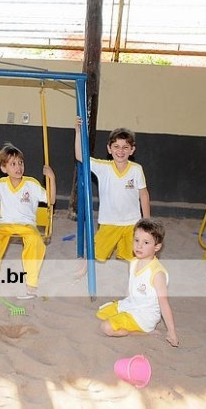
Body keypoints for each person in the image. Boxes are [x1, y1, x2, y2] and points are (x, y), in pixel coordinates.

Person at [0, 142, 56, 298]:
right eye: (13, 164)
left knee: (35, 241)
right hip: (4, 225)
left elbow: (51, 200)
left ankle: (31, 284)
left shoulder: (32, 184)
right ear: (4, 168)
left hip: (26, 225)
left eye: (20, 163)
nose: (18, 167)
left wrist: (52, 178)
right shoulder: (1, 185)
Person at [75, 118, 150, 275]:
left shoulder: (136, 169)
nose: (120, 151)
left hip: (132, 222)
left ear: (132, 150)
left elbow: (143, 194)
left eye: (125, 147)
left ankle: (134, 280)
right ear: (109, 149)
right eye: (116, 146)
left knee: (134, 255)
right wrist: (78, 131)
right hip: (109, 221)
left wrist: (146, 220)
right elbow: (80, 156)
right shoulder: (103, 167)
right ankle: (84, 269)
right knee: (96, 249)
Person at [96, 218, 179, 347]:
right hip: (131, 305)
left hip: (144, 315)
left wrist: (171, 332)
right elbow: (131, 286)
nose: (139, 246)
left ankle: (144, 332)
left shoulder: (157, 273)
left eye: (146, 242)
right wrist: (124, 303)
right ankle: (124, 316)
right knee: (101, 313)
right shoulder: (133, 262)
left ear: (157, 247)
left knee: (106, 327)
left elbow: (164, 303)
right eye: (136, 240)